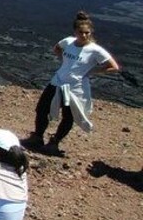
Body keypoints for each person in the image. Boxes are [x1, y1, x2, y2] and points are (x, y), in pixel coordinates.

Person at [21, 11, 120, 156]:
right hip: (56, 82)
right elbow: (57, 48)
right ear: (75, 31)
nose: (84, 35)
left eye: (87, 32)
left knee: (68, 116)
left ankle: (54, 142)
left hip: (73, 88)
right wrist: (65, 63)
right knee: (42, 109)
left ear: (91, 32)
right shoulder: (68, 42)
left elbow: (113, 67)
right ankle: (37, 137)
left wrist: (91, 72)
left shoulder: (95, 50)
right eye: (81, 32)